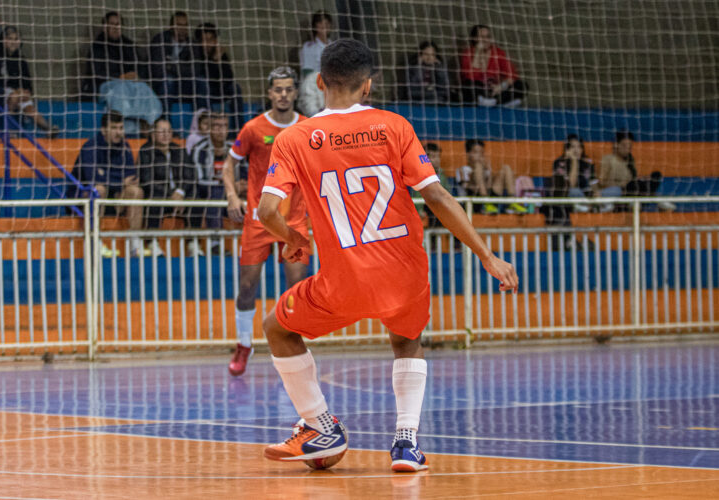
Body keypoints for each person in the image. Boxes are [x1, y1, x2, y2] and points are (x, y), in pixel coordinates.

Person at [256, 39, 518, 472]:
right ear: (368, 86)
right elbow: (435, 195)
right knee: (406, 340)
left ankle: (321, 426)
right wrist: (487, 255)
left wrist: (294, 238)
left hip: (343, 279)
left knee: (277, 328)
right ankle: (406, 444)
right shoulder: (393, 126)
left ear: (319, 82)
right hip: (404, 272)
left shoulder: (294, 137)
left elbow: (267, 212)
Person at [222, 66, 308, 377]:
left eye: (288, 89)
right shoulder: (253, 128)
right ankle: (244, 344)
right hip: (259, 218)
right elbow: (228, 165)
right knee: (247, 286)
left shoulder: (308, 127)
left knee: (296, 287)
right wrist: (233, 196)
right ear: (269, 93)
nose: (283, 94)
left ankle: (291, 342)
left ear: (295, 92)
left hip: (294, 220)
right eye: (277, 89)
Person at [67, 111, 150, 257]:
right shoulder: (91, 147)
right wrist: (120, 182)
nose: (119, 132)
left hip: (112, 197)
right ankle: (95, 242)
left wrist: (111, 179)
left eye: (121, 128)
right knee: (98, 190)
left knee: (135, 191)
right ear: (103, 130)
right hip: (83, 199)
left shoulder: (125, 147)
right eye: (114, 128)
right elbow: (92, 179)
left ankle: (135, 244)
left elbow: (131, 177)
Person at [185, 109, 246, 255]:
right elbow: (199, 180)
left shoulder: (235, 148)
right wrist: (229, 186)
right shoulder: (199, 149)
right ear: (210, 128)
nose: (221, 130)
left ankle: (256, 244)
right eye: (217, 126)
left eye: (224, 126)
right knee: (215, 193)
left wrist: (241, 184)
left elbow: (245, 172)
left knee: (255, 196)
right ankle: (215, 244)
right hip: (207, 194)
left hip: (233, 195)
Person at [137, 116, 195, 257]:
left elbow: (191, 175)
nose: (165, 135)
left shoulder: (179, 151)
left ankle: (193, 243)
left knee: (196, 195)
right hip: (161, 195)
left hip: (178, 197)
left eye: (168, 131)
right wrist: (171, 195)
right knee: (154, 198)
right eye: (161, 131)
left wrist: (180, 192)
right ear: (153, 134)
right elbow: (146, 180)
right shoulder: (146, 151)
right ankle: (152, 242)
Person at [0, 25, 56, 135]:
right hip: (1, 91)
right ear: (3, 40)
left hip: (19, 92)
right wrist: (15, 91)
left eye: (16, 39)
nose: (13, 42)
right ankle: (10, 131)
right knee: (14, 97)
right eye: (9, 39)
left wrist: (27, 91)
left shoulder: (21, 59)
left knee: (29, 107)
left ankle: (47, 129)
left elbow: (27, 80)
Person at [181, 22, 243, 133]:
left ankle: (239, 132)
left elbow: (229, 78)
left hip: (215, 89)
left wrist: (219, 61)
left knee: (235, 88)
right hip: (195, 90)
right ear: (199, 41)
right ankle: (207, 128)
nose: (208, 43)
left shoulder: (219, 54)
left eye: (211, 39)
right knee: (202, 82)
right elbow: (199, 73)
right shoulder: (194, 51)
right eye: (205, 40)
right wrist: (214, 62)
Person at [599, 130, 675, 212]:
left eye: (630, 146)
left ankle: (653, 201)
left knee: (655, 176)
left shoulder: (630, 160)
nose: (627, 149)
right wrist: (621, 184)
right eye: (624, 145)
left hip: (633, 189)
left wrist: (642, 179)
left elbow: (633, 178)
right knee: (632, 186)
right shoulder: (608, 159)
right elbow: (601, 182)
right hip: (621, 191)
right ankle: (657, 201)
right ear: (616, 145)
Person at [459, 25, 527, 107]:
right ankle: (497, 103)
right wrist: (477, 53)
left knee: (521, 85)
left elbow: (512, 75)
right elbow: (470, 77)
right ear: (475, 38)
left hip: (494, 90)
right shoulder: (468, 53)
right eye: (482, 37)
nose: (486, 40)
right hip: (478, 90)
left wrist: (501, 86)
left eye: (488, 37)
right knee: (468, 86)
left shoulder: (498, 53)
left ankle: (494, 102)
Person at [454, 139, 527, 214]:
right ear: (468, 154)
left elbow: (490, 187)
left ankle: (512, 201)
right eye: (476, 152)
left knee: (506, 168)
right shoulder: (462, 170)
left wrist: (488, 170)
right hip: (472, 201)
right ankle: (485, 203)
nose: (479, 155)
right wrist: (476, 173)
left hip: (490, 200)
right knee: (478, 166)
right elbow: (467, 187)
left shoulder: (485, 170)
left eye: (482, 153)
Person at [148, 11, 191, 117]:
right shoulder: (160, 40)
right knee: (169, 80)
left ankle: (205, 121)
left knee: (201, 81)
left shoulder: (192, 44)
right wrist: (180, 70)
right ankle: (166, 122)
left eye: (185, 25)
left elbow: (195, 69)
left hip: (185, 85)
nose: (182, 29)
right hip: (162, 84)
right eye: (179, 26)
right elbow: (158, 69)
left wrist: (171, 66)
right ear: (172, 27)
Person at [86, 11, 139, 95]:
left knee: (144, 89)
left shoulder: (129, 45)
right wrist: (120, 77)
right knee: (121, 89)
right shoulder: (97, 46)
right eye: (112, 24)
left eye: (118, 24)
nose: (115, 27)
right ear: (104, 27)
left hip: (129, 83)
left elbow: (139, 65)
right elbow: (96, 72)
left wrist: (135, 75)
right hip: (105, 85)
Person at [299, 10, 332, 78]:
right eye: (320, 22)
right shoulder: (309, 47)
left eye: (327, 22)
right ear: (315, 26)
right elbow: (307, 72)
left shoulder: (335, 46)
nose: (324, 25)